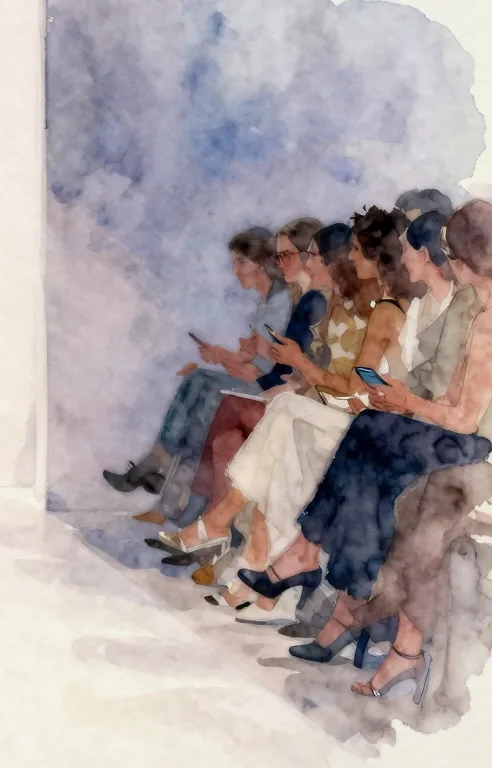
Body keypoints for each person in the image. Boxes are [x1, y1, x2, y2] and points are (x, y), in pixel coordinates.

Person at [240, 201, 492, 703]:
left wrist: (408, 403)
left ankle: (320, 570)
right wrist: (406, 403)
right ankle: (323, 573)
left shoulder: (485, 320)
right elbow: (452, 399)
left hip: (471, 447)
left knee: (372, 439)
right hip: (453, 433)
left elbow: (466, 419)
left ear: (465, 260)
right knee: (371, 434)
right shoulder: (480, 313)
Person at [120, 219, 330, 527]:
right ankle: (167, 487)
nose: (235, 270)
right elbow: (264, 363)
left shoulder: (289, 301)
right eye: (278, 256)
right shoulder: (283, 300)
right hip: (269, 383)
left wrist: (233, 357)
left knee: (205, 393)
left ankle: (169, 486)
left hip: (275, 389)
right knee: (200, 385)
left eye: (241, 262)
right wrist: (232, 357)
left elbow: (270, 368)